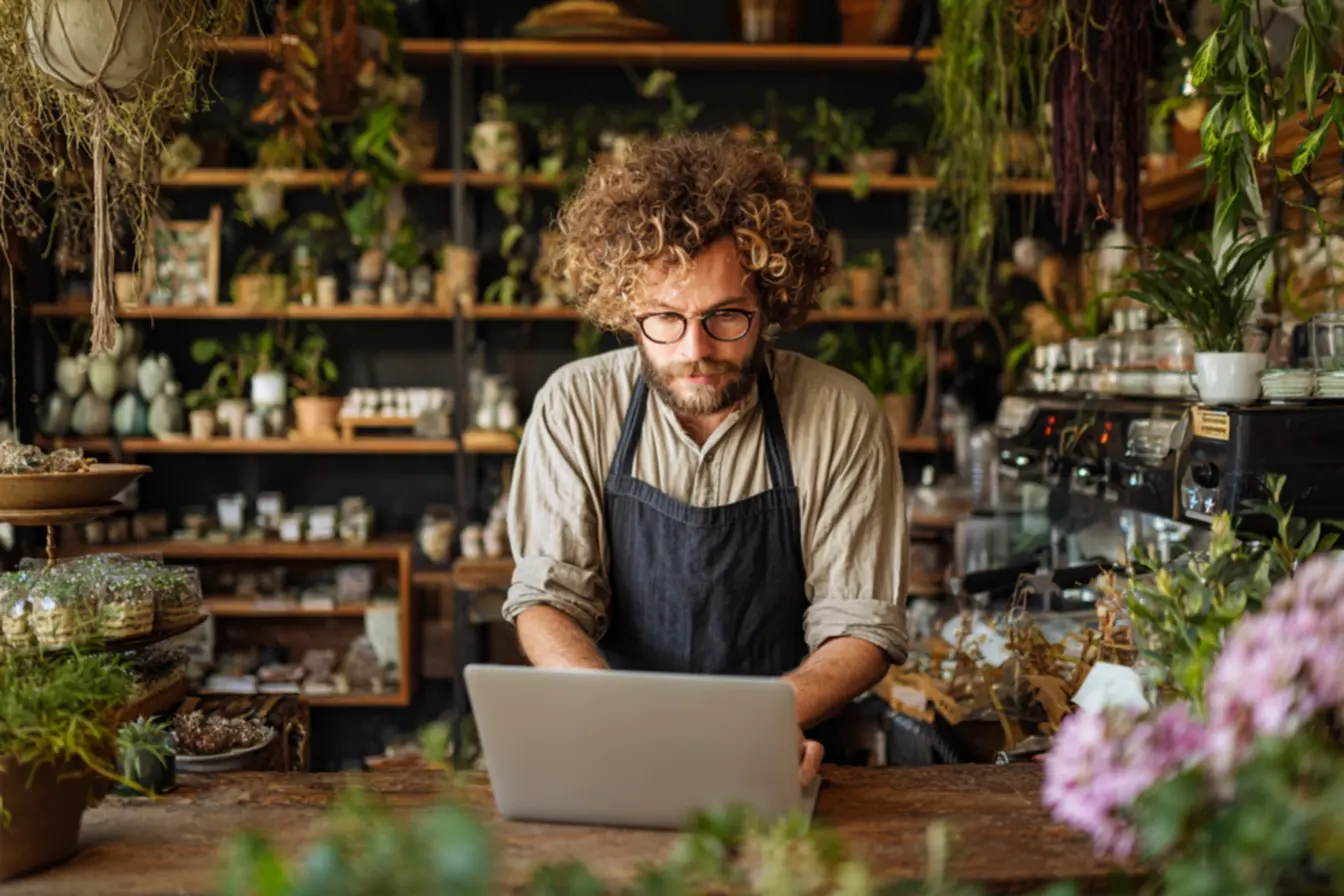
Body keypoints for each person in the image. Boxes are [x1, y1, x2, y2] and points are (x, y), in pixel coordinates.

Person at [501, 132, 909, 786]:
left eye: (727, 317)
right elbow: (548, 599)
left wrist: (745, 732)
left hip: (782, 753)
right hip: (615, 749)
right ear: (625, 308)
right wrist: (623, 721)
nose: (695, 349)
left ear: (771, 303)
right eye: (664, 318)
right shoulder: (576, 404)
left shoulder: (840, 415)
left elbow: (860, 626)